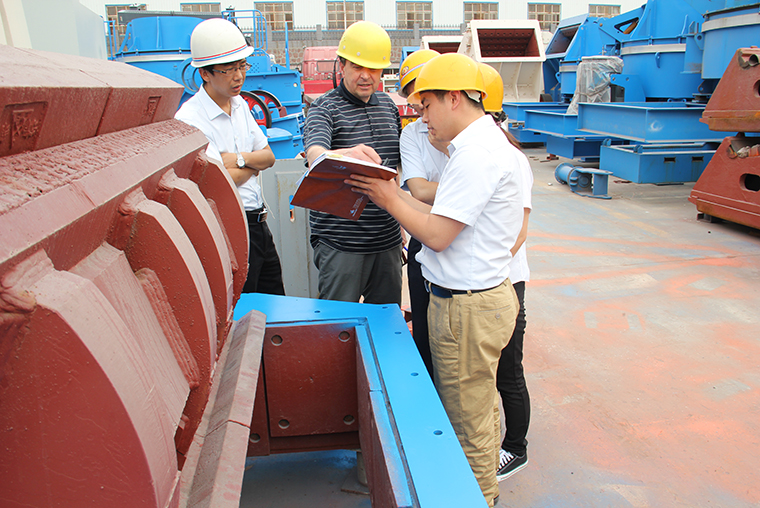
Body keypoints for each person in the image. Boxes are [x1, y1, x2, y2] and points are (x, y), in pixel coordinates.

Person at [346, 53, 524, 508]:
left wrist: (389, 198)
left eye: (426, 106)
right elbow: (440, 212)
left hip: (468, 307)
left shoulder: (475, 155)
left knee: (467, 422)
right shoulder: (477, 146)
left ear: (454, 98)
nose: (423, 118)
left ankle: (479, 498)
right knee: (475, 408)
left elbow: (439, 235)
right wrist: (393, 193)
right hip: (479, 299)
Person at [175, 18, 284, 295]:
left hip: (259, 225)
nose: (239, 76)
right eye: (229, 69)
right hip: (228, 227)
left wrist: (238, 160)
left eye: (241, 66)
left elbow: (269, 157)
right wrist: (252, 165)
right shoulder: (191, 119)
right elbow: (218, 182)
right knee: (244, 308)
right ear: (205, 73)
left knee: (275, 302)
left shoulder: (240, 105)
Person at [302, 21, 403, 305]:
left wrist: (401, 225)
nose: (366, 76)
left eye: (374, 69)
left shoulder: (389, 107)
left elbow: (393, 172)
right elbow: (315, 154)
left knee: (386, 320)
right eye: (357, 67)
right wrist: (346, 154)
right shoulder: (324, 108)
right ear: (342, 65)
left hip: (387, 241)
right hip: (341, 244)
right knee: (339, 322)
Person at [475, 63, 534, 482]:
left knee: (508, 370)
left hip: (506, 281)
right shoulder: (476, 152)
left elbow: (518, 229)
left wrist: (487, 269)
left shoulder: (509, 157)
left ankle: (516, 447)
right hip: (490, 279)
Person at [397, 48, 442, 378]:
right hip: (423, 236)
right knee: (425, 331)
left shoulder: (470, 134)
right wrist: (468, 189)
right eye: (414, 98)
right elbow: (419, 191)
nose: (418, 106)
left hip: (461, 243)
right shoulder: (412, 134)